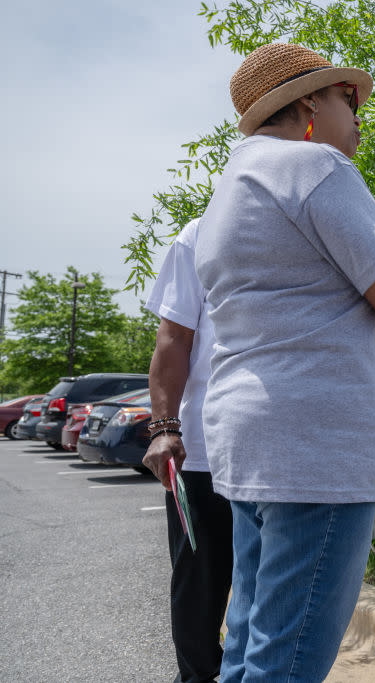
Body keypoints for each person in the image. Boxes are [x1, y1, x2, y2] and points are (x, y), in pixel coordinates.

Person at [192, 42, 375, 683]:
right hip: (313, 445)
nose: (361, 112)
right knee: (286, 664)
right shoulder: (315, 167)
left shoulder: (229, 188)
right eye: (349, 97)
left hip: (250, 438)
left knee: (249, 648)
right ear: (309, 102)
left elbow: (301, 317)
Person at [142, 217, 232, 683]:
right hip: (202, 455)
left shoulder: (313, 219)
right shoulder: (201, 233)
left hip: (278, 455)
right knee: (199, 597)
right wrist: (163, 426)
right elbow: (173, 338)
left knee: (267, 602)